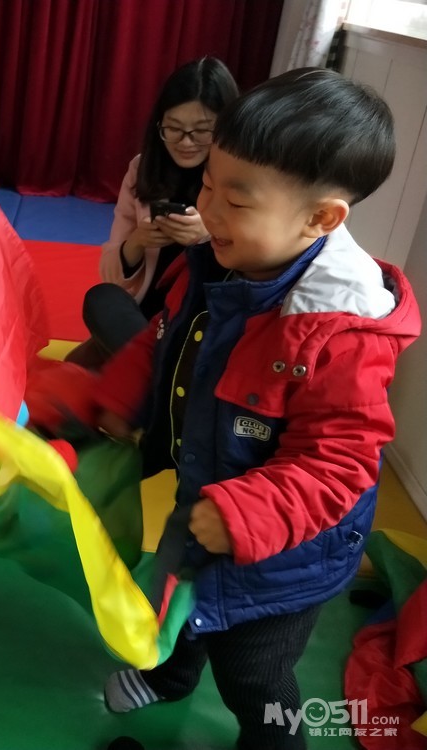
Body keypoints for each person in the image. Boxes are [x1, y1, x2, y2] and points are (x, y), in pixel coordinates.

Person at [32, 69, 419, 749]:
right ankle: (171, 676)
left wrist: (247, 513)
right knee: (175, 605)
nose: (209, 209)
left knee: (253, 673)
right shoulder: (220, 263)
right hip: (206, 491)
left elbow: (341, 462)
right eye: (207, 185)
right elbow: (166, 338)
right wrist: (117, 400)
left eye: (235, 200)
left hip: (284, 553)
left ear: (321, 219)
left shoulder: (340, 333)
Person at [67, 57, 238, 369]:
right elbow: (112, 275)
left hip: (202, 320)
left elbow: (256, 268)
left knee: (85, 368)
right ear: (159, 124)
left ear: (226, 127)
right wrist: (136, 242)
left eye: (202, 131)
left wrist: (206, 234)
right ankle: (154, 372)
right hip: (148, 317)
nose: (185, 142)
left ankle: (144, 371)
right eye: (173, 128)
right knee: (101, 300)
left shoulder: (241, 177)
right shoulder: (142, 169)